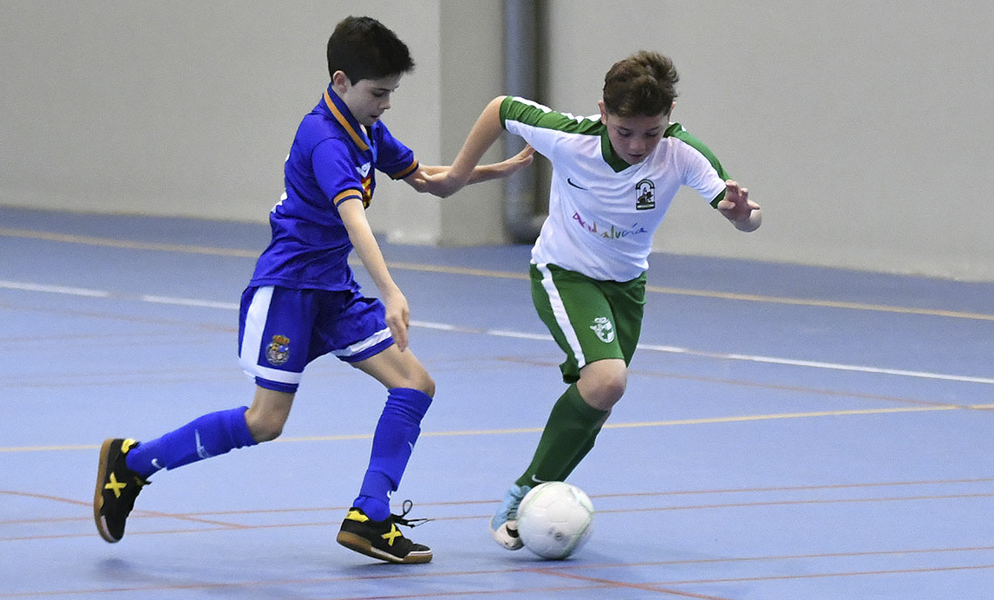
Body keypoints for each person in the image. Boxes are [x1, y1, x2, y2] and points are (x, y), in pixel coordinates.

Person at [92, 15, 533, 565]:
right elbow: (355, 222)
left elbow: (431, 180)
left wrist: (500, 169)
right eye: (379, 93)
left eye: (392, 93)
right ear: (342, 81)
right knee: (264, 423)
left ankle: (369, 514)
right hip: (289, 292)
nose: (386, 104)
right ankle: (132, 465)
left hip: (332, 292)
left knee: (415, 385)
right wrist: (392, 291)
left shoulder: (365, 129)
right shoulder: (325, 139)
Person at [434, 50, 762, 550]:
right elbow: (501, 107)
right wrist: (460, 173)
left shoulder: (682, 154)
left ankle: (532, 491)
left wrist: (742, 216)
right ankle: (524, 492)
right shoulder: (570, 136)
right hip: (564, 272)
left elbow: (747, 216)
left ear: (668, 117)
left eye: (651, 132)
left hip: (627, 285)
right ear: (603, 113)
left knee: (602, 396)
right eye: (625, 131)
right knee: (608, 378)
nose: (638, 145)